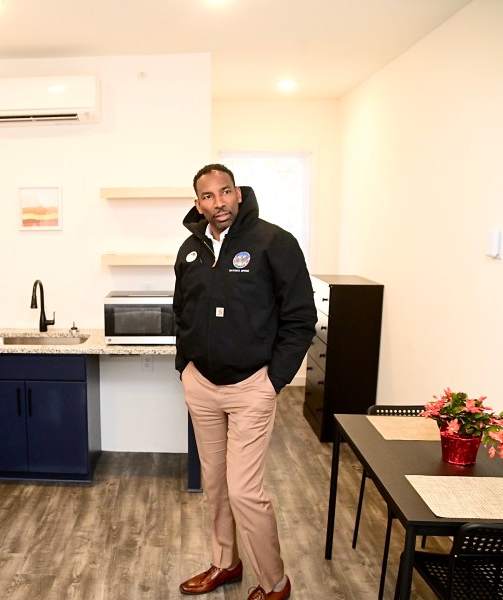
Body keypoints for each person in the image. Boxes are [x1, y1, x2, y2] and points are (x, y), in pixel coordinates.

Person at [174, 164, 317, 600]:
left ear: (238, 193)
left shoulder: (274, 242)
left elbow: (300, 318)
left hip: (252, 387)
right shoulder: (191, 249)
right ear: (197, 202)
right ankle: (225, 563)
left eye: (225, 191)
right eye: (208, 196)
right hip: (203, 386)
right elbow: (181, 310)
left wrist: (274, 380)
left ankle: (274, 582)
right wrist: (186, 367)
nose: (218, 203)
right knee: (215, 485)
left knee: (244, 491)